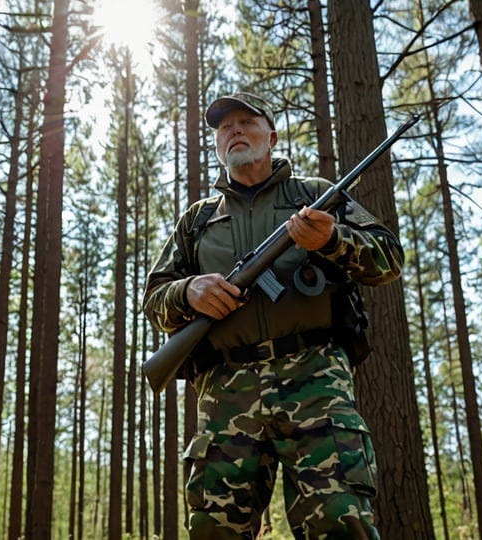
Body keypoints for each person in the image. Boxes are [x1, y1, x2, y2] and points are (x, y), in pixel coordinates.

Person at [142, 91, 403, 539]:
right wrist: (190, 291)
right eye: (225, 127)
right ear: (218, 146)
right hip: (226, 391)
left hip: (317, 382)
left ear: (272, 136)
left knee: (340, 522)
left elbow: (388, 261)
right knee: (214, 529)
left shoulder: (317, 196)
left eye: (247, 121)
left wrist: (333, 240)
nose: (235, 131)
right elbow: (155, 300)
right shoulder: (197, 221)